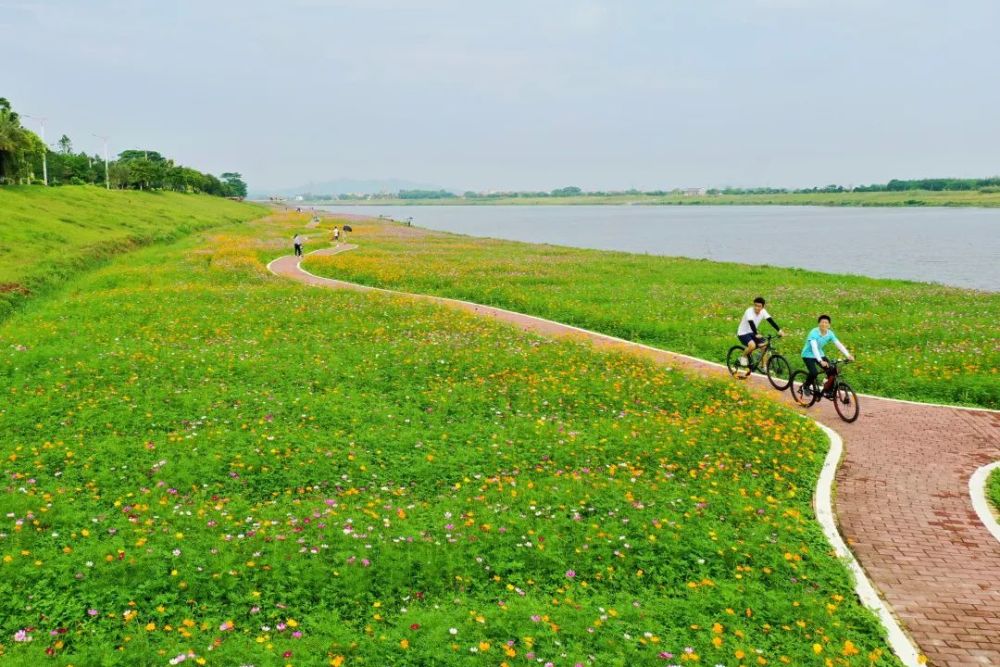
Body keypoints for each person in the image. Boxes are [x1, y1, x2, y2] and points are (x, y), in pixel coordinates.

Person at [801, 314, 855, 396]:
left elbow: (838, 344)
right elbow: (814, 347)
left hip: (819, 353)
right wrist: (820, 361)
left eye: (826, 323)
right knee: (814, 373)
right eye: (822, 322)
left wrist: (848, 355)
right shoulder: (813, 333)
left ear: (829, 325)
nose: (824, 324)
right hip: (808, 355)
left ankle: (827, 390)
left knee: (832, 370)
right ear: (819, 324)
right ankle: (806, 386)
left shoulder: (830, 333)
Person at [736, 297, 784, 369]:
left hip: (752, 332)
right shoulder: (749, 311)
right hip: (743, 333)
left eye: (759, 306)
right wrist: (756, 334)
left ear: (763, 307)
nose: (757, 308)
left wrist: (779, 330)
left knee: (764, 347)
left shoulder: (763, 311)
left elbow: (771, 321)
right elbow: (751, 323)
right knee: (752, 346)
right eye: (755, 305)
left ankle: (763, 366)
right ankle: (743, 357)